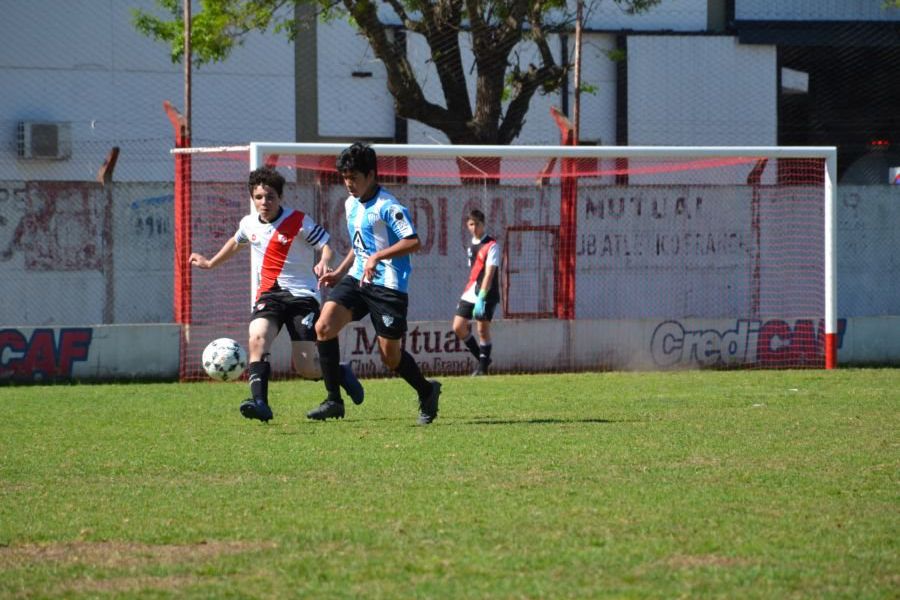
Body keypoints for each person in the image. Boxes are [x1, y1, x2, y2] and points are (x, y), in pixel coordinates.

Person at [188, 166, 364, 422]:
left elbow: (326, 245)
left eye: (270, 196)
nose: (264, 202)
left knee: (305, 367)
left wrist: (325, 261)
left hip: (302, 297)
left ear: (280, 197)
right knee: (257, 338)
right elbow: (237, 242)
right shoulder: (248, 224)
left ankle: (339, 371)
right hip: (269, 296)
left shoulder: (298, 221)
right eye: (259, 197)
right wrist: (210, 263)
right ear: (252, 198)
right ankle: (260, 403)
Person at [309, 142, 441, 425]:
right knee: (323, 326)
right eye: (345, 178)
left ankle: (427, 390)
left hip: (388, 286)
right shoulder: (350, 204)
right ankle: (333, 400)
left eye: (354, 178)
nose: (349, 184)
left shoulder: (388, 206)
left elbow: (414, 241)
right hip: (358, 278)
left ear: (371, 175)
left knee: (390, 358)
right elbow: (359, 247)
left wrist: (379, 256)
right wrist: (341, 273)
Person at [452, 209, 501, 376]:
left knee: (482, 330)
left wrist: (481, 296)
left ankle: (482, 369)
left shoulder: (491, 245)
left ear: (483, 224)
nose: (474, 227)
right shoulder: (471, 245)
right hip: (471, 289)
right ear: (467, 225)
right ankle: (483, 360)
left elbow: (489, 273)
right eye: (471, 224)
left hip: (486, 292)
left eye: (477, 224)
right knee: (458, 326)